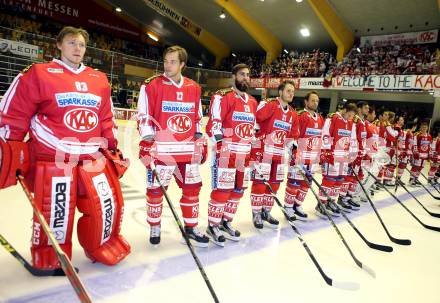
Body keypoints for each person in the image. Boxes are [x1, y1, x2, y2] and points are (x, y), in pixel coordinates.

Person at [0, 26, 131, 274]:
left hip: (91, 158)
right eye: (72, 43)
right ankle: (51, 258)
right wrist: (9, 146)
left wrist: (111, 146)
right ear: (59, 45)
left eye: (81, 44)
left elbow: (105, 117)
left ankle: (101, 246)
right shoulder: (38, 73)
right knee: (56, 211)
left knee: (105, 206)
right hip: (53, 157)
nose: (77, 49)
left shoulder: (98, 78)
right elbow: (15, 112)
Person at [137, 45, 209, 247]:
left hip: (186, 151)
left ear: (182, 64)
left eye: (173, 62)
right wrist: (147, 141)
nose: (167, 65)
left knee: (192, 189)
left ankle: (191, 227)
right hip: (162, 150)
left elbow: (197, 118)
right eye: (166, 61)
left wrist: (199, 141)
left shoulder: (193, 87)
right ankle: (155, 225)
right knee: (156, 191)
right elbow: (143, 116)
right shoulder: (151, 85)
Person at [205, 63, 257, 246]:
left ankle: (226, 221)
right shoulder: (222, 96)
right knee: (222, 191)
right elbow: (214, 125)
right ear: (234, 76)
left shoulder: (252, 101)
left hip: (245, 155)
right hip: (227, 152)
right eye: (242, 74)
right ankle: (213, 225)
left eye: (248, 75)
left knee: (238, 191)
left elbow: (251, 130)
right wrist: (220, 146)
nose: (245, 78)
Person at [249, 80, 299, 229]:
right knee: (259, 184)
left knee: (274, 185)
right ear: (280, 92)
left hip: (279, 154)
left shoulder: (292, 114)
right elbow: (256, 119)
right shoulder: (268, 103)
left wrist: (293, 148)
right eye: (288, 90)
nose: (291, 94)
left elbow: (292, 136)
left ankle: (266, 211)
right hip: (263, 153)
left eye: (293, 91)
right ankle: (256, 212)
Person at [284, 91, 324, 221]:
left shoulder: (319, 118)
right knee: (294, 182)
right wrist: (295, 152)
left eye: (317, 100)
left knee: (306, 183)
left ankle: (297, 205)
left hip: (312, 158)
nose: (315, 103)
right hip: (299, 156)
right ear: (306, 102)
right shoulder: (301, 115)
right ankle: (288, 207)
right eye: (312, 100)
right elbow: (293, 134)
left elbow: (319, 138)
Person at [317, 102, 358, 217]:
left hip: (344, 157)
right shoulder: (333, 118)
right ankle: (321, 203)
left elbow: (353, 140)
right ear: (344, 110)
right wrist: (326, 151)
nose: (351, 118)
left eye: (352, 116)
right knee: (329, 180)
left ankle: (331, 201)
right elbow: (325, 134)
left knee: (339, 180)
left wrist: (353, 155)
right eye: (350, 115)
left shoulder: (351, 123)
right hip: (333, 156)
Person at [409, 121, 432, 186]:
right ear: (420, 128)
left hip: (425, 155)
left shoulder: (429, 136)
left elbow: (429, 146)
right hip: (418, 154)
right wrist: (415, 152)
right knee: (416, 166)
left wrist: (429, 154)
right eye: (423, 127)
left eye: (425, 127)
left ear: (427, 128)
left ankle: (416, 178)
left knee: (421, 167)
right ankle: (411, 179)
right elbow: (414, 144)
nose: (424, 128)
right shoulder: (417, 135)